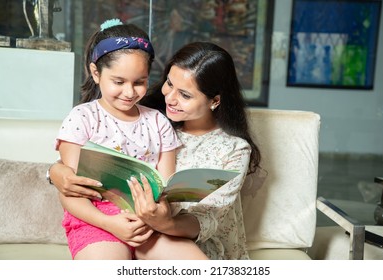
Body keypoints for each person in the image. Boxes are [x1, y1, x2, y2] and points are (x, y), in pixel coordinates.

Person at [50, 41, 261, 260]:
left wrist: (165, 222)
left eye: (185, 95)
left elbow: (208, 221)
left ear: (214, 101)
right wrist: (55, 172)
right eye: (169, 83)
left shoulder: (234, 150)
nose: (170, 99)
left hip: (184, 239)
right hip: (122, 227)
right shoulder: (149, 116)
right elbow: (85, 165)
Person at [54, 18, 207, 260]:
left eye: (139, 82)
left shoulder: (157, 121)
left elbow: (165, 188)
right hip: (97, 220)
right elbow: (72, 192)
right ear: (96, 73)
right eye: (118, 82)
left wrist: (159, 213)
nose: (129, 92)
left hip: (149, 219)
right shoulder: (82, 118)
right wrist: (110, 223)